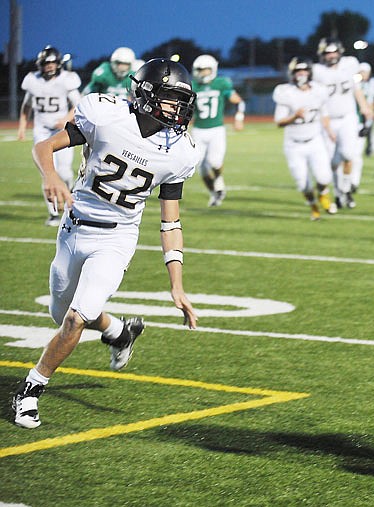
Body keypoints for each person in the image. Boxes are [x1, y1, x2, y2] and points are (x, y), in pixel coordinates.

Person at [11, 58, 201, 429]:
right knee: (62, 312)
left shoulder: (180, 151)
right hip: (74, 226)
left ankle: (30, 389)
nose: (178, 108)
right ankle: (118, 332)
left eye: (183, 101)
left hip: (116, 237)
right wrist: (51, 176)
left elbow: (171, 221)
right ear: (146, 94)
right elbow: (45, 147)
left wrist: (176, 285)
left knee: (74, 319)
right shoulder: (106, 116)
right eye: (171, 99)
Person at [17, 46, 82, 226]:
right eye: (46, 63)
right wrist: (22, 127)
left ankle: (70, 198)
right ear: (40, 65)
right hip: (41, 130)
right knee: (47, 174)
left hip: (61, 131)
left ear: (59, 64)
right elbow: (26, 106)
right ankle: (53, 213)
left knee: (65, 171)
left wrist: (66, 119)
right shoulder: (33, 81)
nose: (50, 66)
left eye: (53, 63)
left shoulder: (66, 80)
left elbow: (79, 105)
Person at [273, 57, 337, 220]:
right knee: (303, 184)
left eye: (304, 71)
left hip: (315, 140)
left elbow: (324, 113)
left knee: (324, 177)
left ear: (309, 72)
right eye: (297, 71)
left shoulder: (319, 90)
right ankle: (313, 206)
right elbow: (279, 122)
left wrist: (329, 130)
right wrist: (294, 116)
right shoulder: (285, 92)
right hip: (294, 144)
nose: (301, 74)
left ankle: (323, 193)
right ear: (292, 74)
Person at [312, 38, 372, 209]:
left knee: (348, 155)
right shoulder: (317, 71)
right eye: (327, 53)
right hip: (328, 119)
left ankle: (346, 191)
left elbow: (356, 89)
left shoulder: (350, 64)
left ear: (339, 52)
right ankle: (339, 193)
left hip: (348, 117)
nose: (331, 56)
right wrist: (324, 124)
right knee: (332, 161)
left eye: (333, 52)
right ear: (322, 54)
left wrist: (365, 108)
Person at [190, 54, 245, 207]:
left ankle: (219, 179)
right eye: (200, 70)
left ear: (213, 70)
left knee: (214, 162)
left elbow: (239, 102)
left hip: (216, 130)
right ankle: (214, 193)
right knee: (199, 166)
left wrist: (239, 119)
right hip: (198, 131)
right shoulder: (193, 86)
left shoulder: (221, 83)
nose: (203, 73)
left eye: (206, 70)